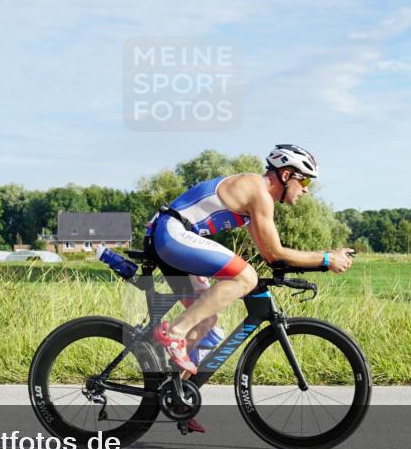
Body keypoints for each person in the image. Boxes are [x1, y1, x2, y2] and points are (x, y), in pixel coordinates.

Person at [145, 144, 355, 380]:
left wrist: (326, 258)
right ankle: (174, 332)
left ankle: (177, 397)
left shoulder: (256, 200)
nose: (306, 190)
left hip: (168, 236)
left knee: (206, 320)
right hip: (171, 233)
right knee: (246, 276)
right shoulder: (258, 193)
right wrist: (327, 258)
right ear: (286, 175)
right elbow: (276, 253)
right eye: (305, 181)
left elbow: (271, 256)